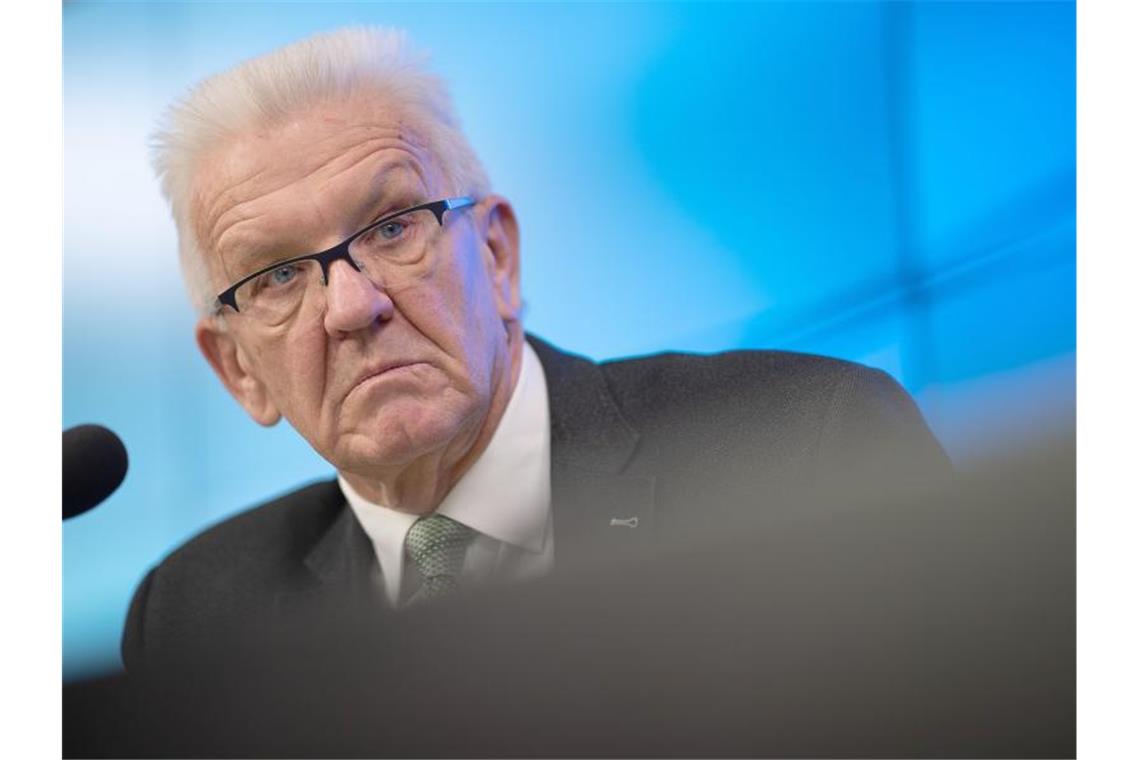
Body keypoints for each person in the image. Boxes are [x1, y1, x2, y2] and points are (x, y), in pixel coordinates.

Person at [121, 26, 950, 673]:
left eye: (395, 227)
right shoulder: (193, 616)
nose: (351, 304)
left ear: (498, 257)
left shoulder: (805, 452)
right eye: (275, 278)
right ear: (237, 370)